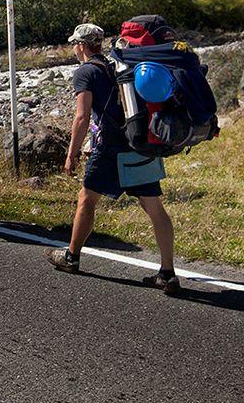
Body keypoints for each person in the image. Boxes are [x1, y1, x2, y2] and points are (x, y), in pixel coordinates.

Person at [45, 23, 181, 294]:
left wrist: (70, 154)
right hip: (139, 142)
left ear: (82, 46)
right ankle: (168, 273)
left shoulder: (85, 72)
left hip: (109, 149)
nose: (74, 48)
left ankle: (71, 257)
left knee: (87, 199)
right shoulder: (119, 66)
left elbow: (82, 117)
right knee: (154, 208)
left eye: (75, 43)